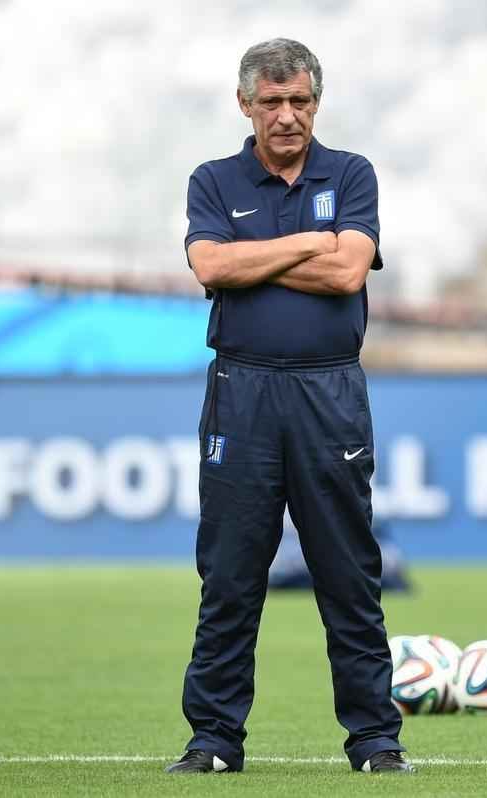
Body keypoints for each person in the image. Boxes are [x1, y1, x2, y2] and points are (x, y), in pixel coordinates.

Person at [165, 38, 410, 775]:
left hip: (328, 388)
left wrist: (257, 258)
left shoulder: (351, 172)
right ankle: (213, 741)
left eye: (299, 100)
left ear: (316, 103)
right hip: (241, 391)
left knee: (348, 570)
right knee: (231, 574)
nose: (286, 116)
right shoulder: (213, 178)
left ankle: (374, 741)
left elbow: (345, 275)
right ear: (245, 104)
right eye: (271, 102)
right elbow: (209, 264)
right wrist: (309, 240)